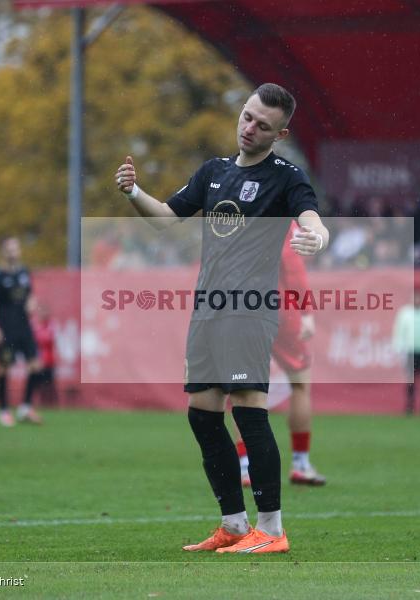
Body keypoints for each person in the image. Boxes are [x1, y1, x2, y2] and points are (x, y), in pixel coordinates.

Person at [114, 83, 328, 554]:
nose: (250, 128)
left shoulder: (286, 177)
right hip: (208, 309)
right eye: (248, 117)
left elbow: (312, 218)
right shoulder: (213, 171)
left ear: (280, 133)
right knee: (203, 416)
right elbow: (168, 216)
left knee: (250, 412)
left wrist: (317, 237)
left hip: (249, 312)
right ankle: (233, 523)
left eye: (263, 125)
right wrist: (134, 192)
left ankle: (271, 530)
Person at [236, 221, 326, 487]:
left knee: (242, 389)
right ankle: (300, 464)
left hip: (241, 306)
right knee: (300, 384)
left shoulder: (233, 213)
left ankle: (244, 466)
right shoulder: (281, 218)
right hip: (278, 306)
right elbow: (292, 264)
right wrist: (306, 311)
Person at [0, 237, 43, 426]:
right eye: (9, 249)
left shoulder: (24, 273)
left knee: (36, 366)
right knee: (4, 368)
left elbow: (30, 295)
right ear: (3, 252)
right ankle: (3, 410)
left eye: (15, 249)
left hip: (24, 328)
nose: (13, 253)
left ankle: (25, 408)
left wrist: (32, 302)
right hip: (6, 329)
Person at [30, 300, 59, 407]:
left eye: (45, 311)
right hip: (37, 361)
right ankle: (32, 404)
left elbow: (49, 338)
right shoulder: (35, 324)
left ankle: (51, 405)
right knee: (35, 384)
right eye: (42, 311)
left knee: (49, 384)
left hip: (49, 360)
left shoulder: (52, 324)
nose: (44, 314)